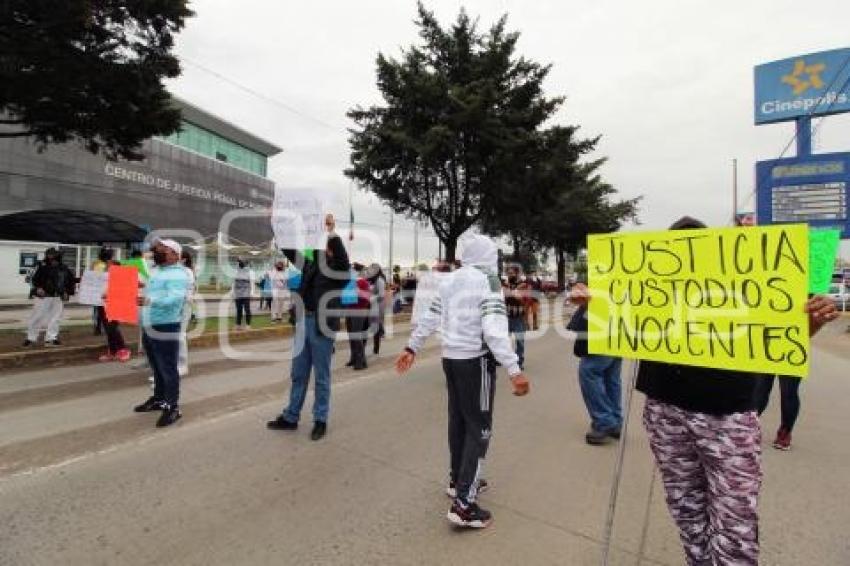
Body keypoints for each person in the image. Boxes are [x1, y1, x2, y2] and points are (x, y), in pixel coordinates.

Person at [636, 216, 839, 566]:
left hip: (726, 416)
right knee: (686, 508)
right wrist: (591, 304)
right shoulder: (653, 290)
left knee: (735, 522)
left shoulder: (742, 287)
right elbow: (609, 324)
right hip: (664, 411)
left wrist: (814, 319)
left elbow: (784, 337)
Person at [395, 233, 531, 529]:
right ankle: (465, 505)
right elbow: (494, 329)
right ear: (489, 256)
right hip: (475, 360)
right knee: (479, 427)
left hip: (451, 359)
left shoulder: (450, 280)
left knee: (458, 421)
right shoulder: (488, 280)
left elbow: (429, 318)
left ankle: (458, 481)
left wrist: (411, 347)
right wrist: (514, 368)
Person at [267, 228, 351, 441]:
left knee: (321, 377)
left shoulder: (338, 270)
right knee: (298, 373)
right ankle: (291, 416)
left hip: (322, 326)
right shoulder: (311, 265)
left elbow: (341, 256)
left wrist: (331, 232)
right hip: (304, 323)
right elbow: (289, 251)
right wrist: (277, 226)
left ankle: (320, 420)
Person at [133, 239, 190, 427]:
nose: (157, 251)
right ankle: (159, 399)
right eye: (158, 248)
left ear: (175, 254)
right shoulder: (157, 271)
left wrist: (150, 301)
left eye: (163, 249)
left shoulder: (179, 274)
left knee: (168, 368)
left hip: (166, 326)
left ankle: (172, 407)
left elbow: (174, 299)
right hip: (150, 324)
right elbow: (147, 289)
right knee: (156, 366)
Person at [566, 282, 622, 445]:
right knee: (611, 379)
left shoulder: (603, 277)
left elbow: (584, 298)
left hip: (601, 334)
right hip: (616, 332)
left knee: (590, 373)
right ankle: (615, 421)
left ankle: (605, 421)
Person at [24, 247, 75, 347]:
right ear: (47, 255)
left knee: (55, 318)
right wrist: (37, 288)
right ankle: (31, 338)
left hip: (57, 297)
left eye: (54, 255)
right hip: (42, 296)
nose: (52, 257)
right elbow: (29, 278)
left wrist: (67, 292)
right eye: (50, 255)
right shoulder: (40, 265)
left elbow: (70, 280)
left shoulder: (63, 267)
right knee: (37, 317)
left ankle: (51, 338)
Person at [94, 248, 131, 363]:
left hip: (114, 301)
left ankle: (123, 349)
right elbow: (94, 281)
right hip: (101, 302)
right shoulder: (98, 266)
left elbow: (123, 282)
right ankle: (113, 351)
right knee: (107, 328)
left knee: (112, 327)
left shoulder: (117, 265)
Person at [345, 263, 370, 370]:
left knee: (356, 336)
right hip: (349, 310)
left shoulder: (363, 282)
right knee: (351, 335)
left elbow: (366, 299)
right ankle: (353, 357)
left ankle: (361, 361)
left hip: (359, 311)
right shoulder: (351, 282)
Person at [503, 266, 527, 370]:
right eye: (508, 273)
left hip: (519, 317)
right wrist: (511, 292)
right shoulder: (504, 284)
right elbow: (503, 295)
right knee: (504, 341)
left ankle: (519, 361)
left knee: (520, 342)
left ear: (517, 274)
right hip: (506, 317)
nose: (510, 275)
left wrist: (511, 292)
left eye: (512, 273)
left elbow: (521, 298)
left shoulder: (523, 284)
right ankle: (505, 359)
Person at [178, 250, 196, 377]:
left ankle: (183, 365)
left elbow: (187, 290)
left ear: (183, 259)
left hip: (184, 305)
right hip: (175, 305)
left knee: (180, 334)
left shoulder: (187, 272)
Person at [365, 263, 387, 354]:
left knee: (376, 328)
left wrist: (371, 298)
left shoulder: (380, 281)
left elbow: (381, 295)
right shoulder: (370, 280)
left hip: (377, 307)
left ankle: (376, 348)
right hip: (369, 306)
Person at [232, 259, 253, 330]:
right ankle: (238, 325)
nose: (238, 265)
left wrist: (252, 291)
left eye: (240, 263)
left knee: (247, 310)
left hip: (246, 294)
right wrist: (232, 291)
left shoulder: (248, 272)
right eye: (238, 263)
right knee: (239, 310)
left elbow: (251, 282)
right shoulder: (236, 272)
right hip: (238, 294)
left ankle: (248, 324)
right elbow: (233, 282)